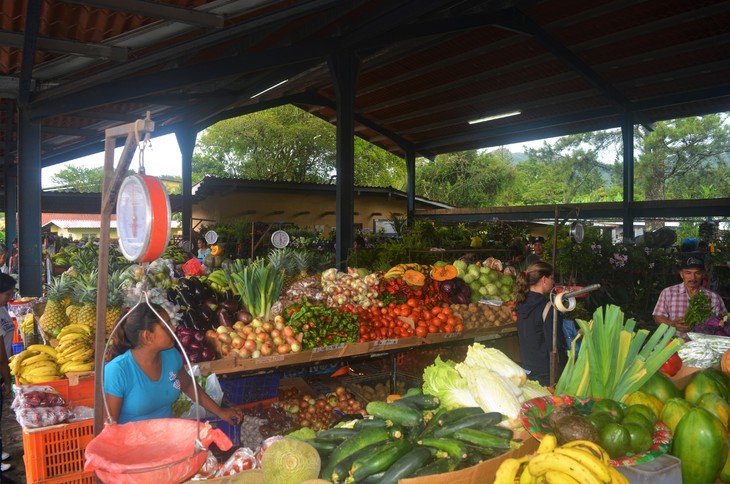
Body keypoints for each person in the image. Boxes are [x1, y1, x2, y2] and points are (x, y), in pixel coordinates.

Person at [104, 303, 242, 425]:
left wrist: (220, 412)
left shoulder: (171, 356)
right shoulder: (118, 371)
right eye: (167, 325)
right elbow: (109, 425)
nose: (174, 329)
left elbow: (188, 385)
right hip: (132, 447)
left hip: (168, 439)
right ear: (147, 336)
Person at [514, 261, 567, 386]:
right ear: (544, 279)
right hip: (545, 372)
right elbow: (554, 344)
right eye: (552, 278)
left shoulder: (521, 303)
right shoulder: (547, 307)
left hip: (527, 367)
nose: (553, 282)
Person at [653, 252, 727, 332]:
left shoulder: (714, 297)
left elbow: (724, 320)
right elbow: (658, 316)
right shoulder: (668, 293)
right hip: (675, 341)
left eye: (697, 273)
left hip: (703, 342)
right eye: (688, 273)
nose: (692, 277)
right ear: (681, 274)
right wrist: (672, 324)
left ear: (702, 274)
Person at [0, 274, 16, 472]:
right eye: (7, 294)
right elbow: (1, 357)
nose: (9, 298)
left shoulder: (2, 310)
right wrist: (7, 380)